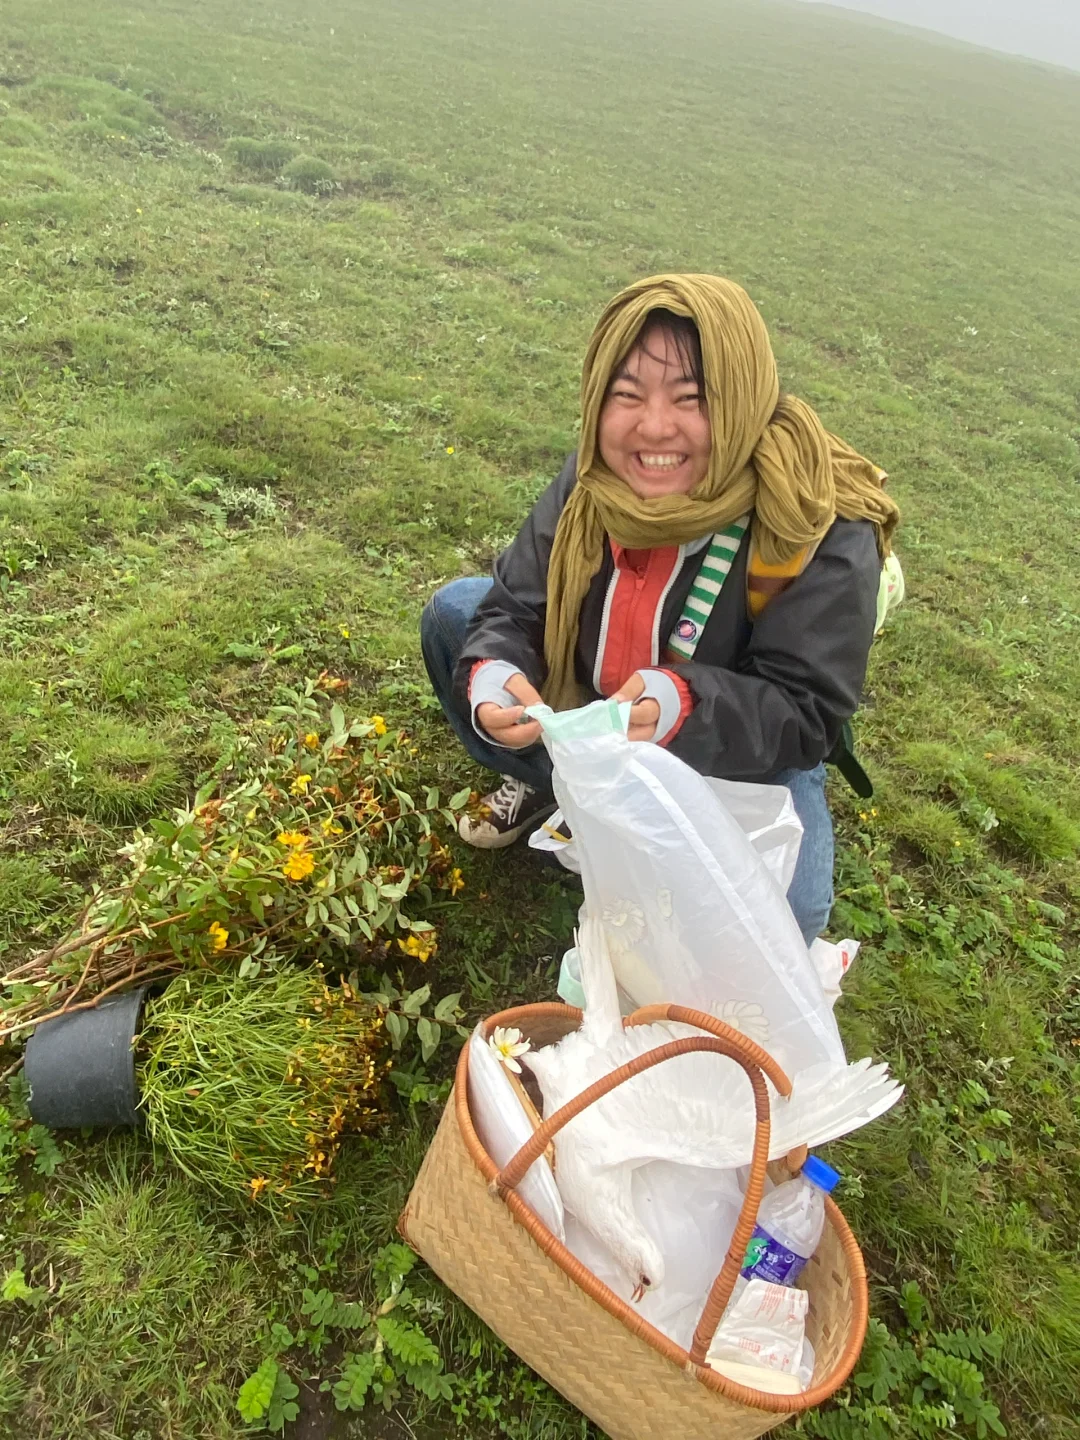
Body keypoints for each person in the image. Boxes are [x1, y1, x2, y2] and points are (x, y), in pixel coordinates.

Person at [421, 274, 899, 944]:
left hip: (733, 749)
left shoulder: (821, 522)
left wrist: (684, 702)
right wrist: (497, 673)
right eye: (626, 395)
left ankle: (654, 838)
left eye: (691, 399)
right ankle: (557, 786)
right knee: (456, 618)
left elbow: (804, 709)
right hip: (598, 705)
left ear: (740, 403)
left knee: (793, 911)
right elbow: (516, 601)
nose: (653, 428)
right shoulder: (596, 478)